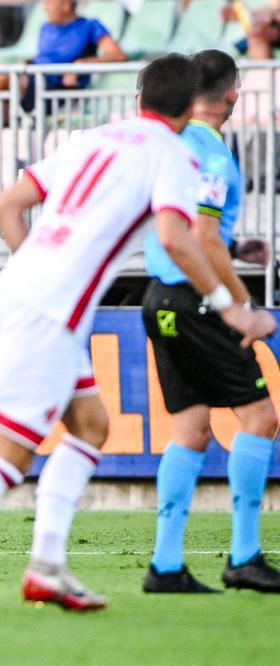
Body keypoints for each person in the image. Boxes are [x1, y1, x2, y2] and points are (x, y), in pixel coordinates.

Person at [0, 53, 276, 616]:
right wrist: (235, 308)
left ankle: (48, 567)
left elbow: (8, 205)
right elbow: (180, 240)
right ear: (188, 109)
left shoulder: (92, 138)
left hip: (17, 289)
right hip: (49, 312)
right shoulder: (174, 154)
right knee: (10, 457)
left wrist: (36, 268)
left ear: (138, 100)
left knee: (91, 425)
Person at [142, 49, 280, 595]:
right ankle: (245, 555)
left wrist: (232, 245)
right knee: (261, 418)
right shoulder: (215, 156)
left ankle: (166, 564)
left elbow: (192, 228)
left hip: (158, 297)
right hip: (197, 302)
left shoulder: (173, 147)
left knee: (191, 429)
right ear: (232, 93)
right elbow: (199, 236)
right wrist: (240, 302)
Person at [0, 0, 126, 143]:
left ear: (66, 4)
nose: (45, 7)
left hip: (54, 92)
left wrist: (82, 64)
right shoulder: (46, 27)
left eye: (50, 2)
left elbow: (118, 55)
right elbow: (44, 59)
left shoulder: (90, 26)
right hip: (29, 86)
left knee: (3, 78)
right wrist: (28, 62)